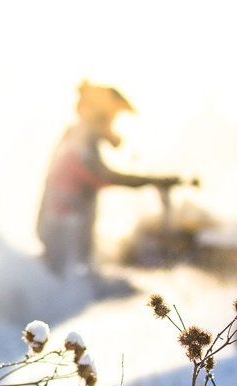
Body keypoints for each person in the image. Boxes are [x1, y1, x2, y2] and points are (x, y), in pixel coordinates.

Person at [37, 81, 180, 276]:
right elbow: (103, 177)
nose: (114, 125)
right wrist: (154, 181)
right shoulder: (80, 141)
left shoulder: (79, 137)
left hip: (67, 229)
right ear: (99, 117)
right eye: (113, 118)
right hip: (63, 230)